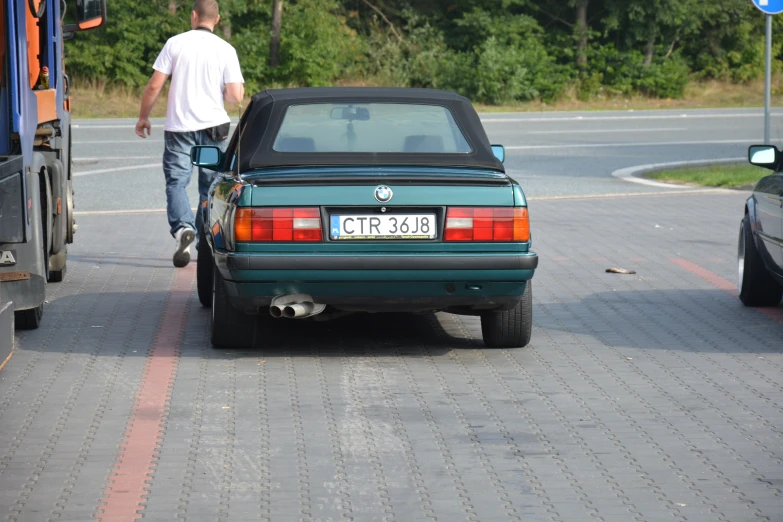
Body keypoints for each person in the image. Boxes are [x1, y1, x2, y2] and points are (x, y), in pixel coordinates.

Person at [135, 0, 244, 268]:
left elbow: (154, 86)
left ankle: (183, 227)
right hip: (214, 128)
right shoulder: (226, 49)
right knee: (209, 188)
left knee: (176, 183)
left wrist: (143, 117)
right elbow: (235, 96)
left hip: (180, 129)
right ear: (216, 20)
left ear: (193, 16)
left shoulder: (175, 43)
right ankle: (206, 243)